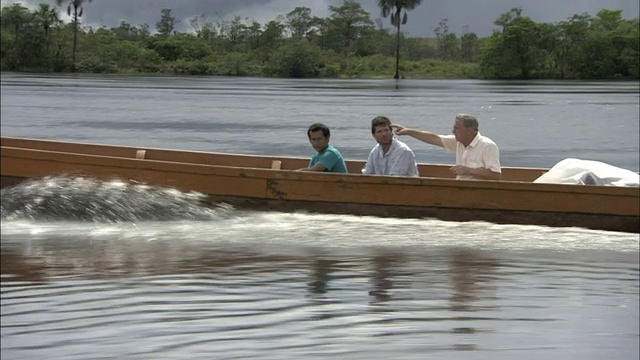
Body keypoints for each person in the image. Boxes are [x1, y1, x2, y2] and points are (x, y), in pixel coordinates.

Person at [392, 114, 501, 180]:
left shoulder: (487, 146)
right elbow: (434, 138)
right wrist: (408, 131)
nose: (453, 131)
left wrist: (469, 170)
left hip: (479, 192)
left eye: (457, 128)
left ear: (469, 130)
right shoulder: (458, 142)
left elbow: (496, 176)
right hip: (460, 190)